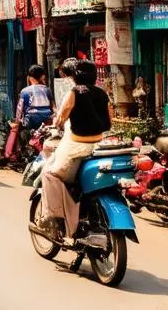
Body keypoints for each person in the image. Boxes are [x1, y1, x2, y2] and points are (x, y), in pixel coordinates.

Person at [37, 58, 112, 244]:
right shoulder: (102, 93)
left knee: (49, 174)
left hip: (76, 146)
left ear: (75, 76)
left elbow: (61, 117)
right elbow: (109, 118)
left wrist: (57, 124)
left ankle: (54, 217)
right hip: (97, 144)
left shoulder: (74, 92)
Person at [16, 64, 54, 131]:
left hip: (31, 119)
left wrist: (17, 122)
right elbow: (52, 107)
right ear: (42, 77)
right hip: (46, 119)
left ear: (30, 78)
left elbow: (19, 109)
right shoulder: (47, 89)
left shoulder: (24, 91)